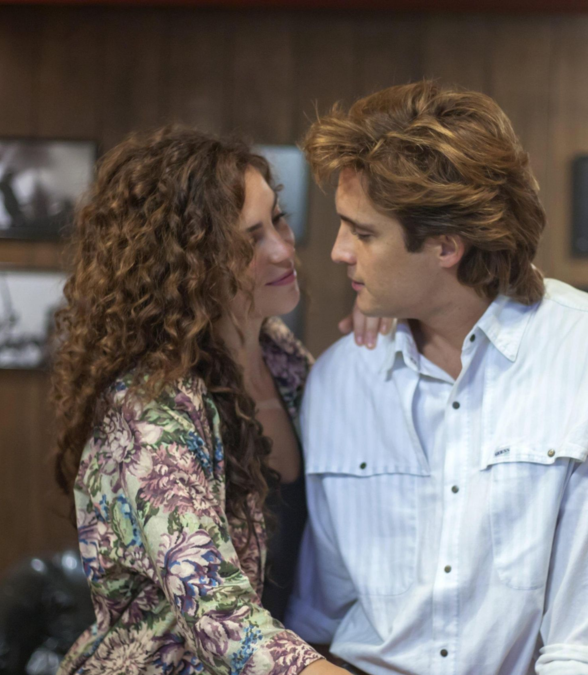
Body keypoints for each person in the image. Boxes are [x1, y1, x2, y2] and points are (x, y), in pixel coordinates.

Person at [286, 81, 588, 675]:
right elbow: (321, 619)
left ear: (446, 246)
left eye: (363, 233)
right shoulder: (340, 378)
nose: (339, 251)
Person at [50, 127, 369, 675]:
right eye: (250, 240)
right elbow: (221, 617)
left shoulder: (284, 359)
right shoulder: (150, 409)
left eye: (279, 220)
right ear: (188, 266)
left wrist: (389, 312)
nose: (282, 248)